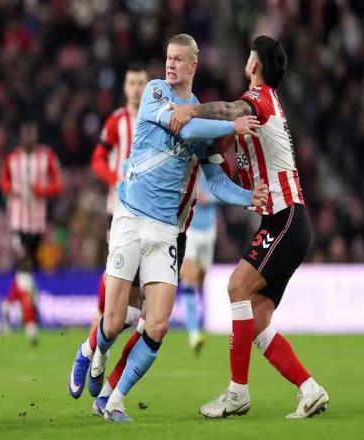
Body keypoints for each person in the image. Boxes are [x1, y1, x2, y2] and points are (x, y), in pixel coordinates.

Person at [90, 33, 264, 423]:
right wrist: (230, 125)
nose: (170, 64)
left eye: (178, 59)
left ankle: (113, 400)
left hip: (169, 229)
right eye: (168, 57)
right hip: (131, 218)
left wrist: (248, 196)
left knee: (156, 324)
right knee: (118, 320)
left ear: (193, 65)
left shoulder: (201, 118)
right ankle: (92, 353)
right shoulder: (155, 92)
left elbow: (215, 180)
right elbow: (182, 128)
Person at [169, 35, 329, 419]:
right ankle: (310, 390)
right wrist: (207, 149)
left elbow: (227, 110)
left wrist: (190, 111)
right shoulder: (259, 111)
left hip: (285, 218)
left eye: (249, 55)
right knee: (256, 321)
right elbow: (224, 143)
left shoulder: (258, 98)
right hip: (287, 221)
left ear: (255, 64)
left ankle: (237, 393)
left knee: (236, 286)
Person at [91, 151, 261, 417]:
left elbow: (221, 179)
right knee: (134, 316)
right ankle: (94, 355)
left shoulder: (206, 147)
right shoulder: (168, 138)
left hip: (186, 232)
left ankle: (107, 395)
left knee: (149, 325)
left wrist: (225, 172)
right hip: (154, 228)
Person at [69, 66, 148, 399]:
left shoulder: (159, 119)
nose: (136, 88)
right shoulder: (117, 121)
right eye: (131, 83)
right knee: (115, 281)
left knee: (139, 309)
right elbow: (98, 159)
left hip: (152, 218)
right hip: (119, 213)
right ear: (125, 87)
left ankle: (99, 349)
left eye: (141, 83)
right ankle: (96, 349)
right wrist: (115, 178)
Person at [0, 118, 63, 345]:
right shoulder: (12, 159)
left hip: (37, 224)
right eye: (25, 134)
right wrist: (11, 189)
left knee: (25, 273)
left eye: (32, 134)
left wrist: (41, 190)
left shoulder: (47, 157)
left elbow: (58, 185)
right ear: (20, 137)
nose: (29, 138)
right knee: (25, 266)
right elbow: (3, 181)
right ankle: (31, 325)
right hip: (18, 224)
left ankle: (7, 306)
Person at [179, 175, 219, 354]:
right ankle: (193, 333)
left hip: (209, 229)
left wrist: (209, 197)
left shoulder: (215, 165)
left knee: (201, 279)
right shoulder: (187, 165)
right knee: (189, 277)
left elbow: (226, 191)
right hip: (190, 229)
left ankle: (202, 315)